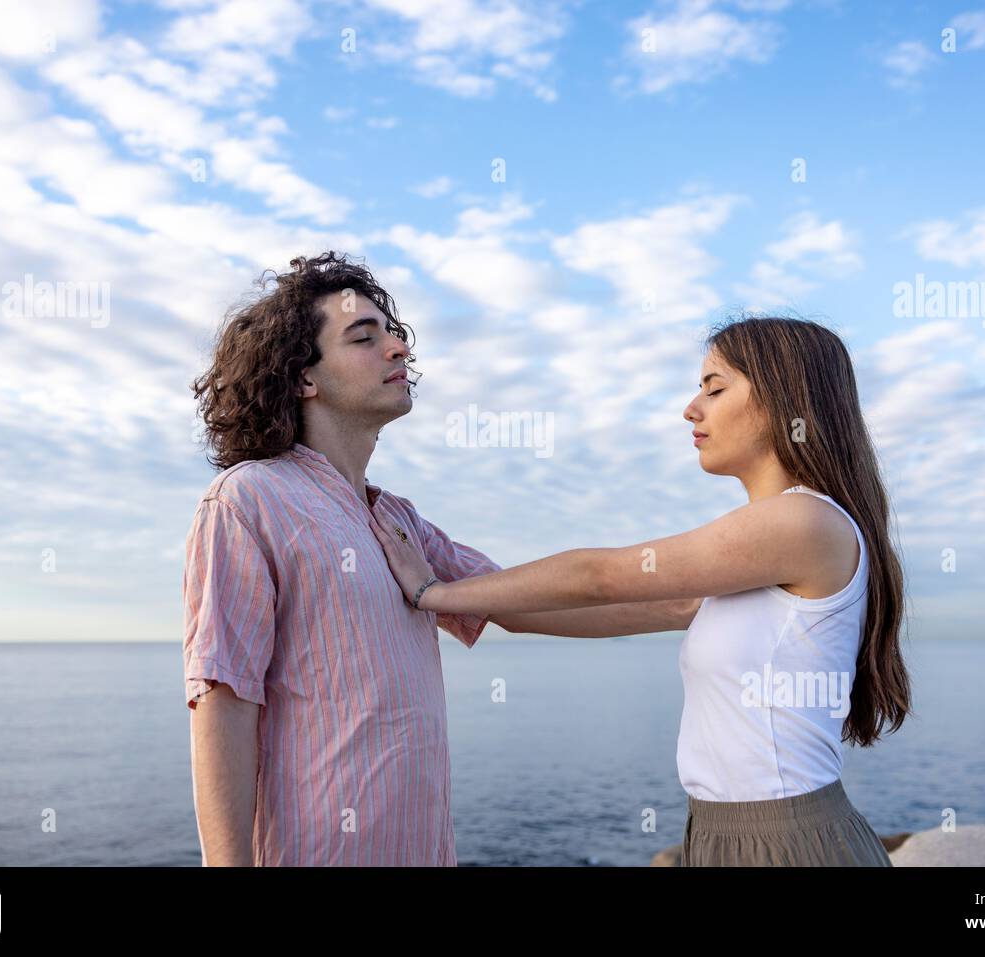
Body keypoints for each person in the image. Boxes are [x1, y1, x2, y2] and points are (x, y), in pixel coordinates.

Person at [182, 251, 693, 866]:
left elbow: (526, 601)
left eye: (394, 335)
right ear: (303, 378)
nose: (398, 349)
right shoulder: (248, 500)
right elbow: (224, 700)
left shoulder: (399, 521)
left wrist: (697, 606)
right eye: (364, 338)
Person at [371, 314, 912, 866]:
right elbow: (611, 605)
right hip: (722, 831)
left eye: (715, 387)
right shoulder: (763, 555)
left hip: (784, 841)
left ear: (784, 396)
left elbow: (600, 577)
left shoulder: (803, 522)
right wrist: (488, 606)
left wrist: (432, 592)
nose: (691, 408)